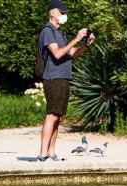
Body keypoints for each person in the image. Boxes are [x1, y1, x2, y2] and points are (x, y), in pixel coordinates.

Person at [37, 0, 95, 162]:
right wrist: (76, 38)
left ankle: (51, 152)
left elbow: (71, 54)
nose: (65, 16)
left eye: (65, 13)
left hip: (63, 76)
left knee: (58, 116)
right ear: (53, 13)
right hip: (53, 77)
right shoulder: (47, 31)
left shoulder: (59, 33)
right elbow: (57, 54)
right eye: (63, 13)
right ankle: (42, 153)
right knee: (52, 114)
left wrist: (85, 45)